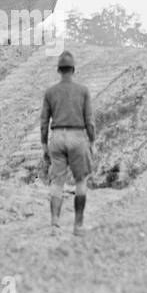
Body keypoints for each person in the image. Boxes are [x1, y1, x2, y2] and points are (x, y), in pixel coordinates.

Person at [40, 50, 95, 235]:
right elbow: (90, 121)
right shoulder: (83, 91)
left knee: (57, 182)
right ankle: (78, 226)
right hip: (77, 136)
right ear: (73, 69)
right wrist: (92, 141)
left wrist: (44, 144)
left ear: (59, 70)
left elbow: (44, 120)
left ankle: (55, 225)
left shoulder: (50, 92)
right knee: (81, 181)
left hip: (56, 136)